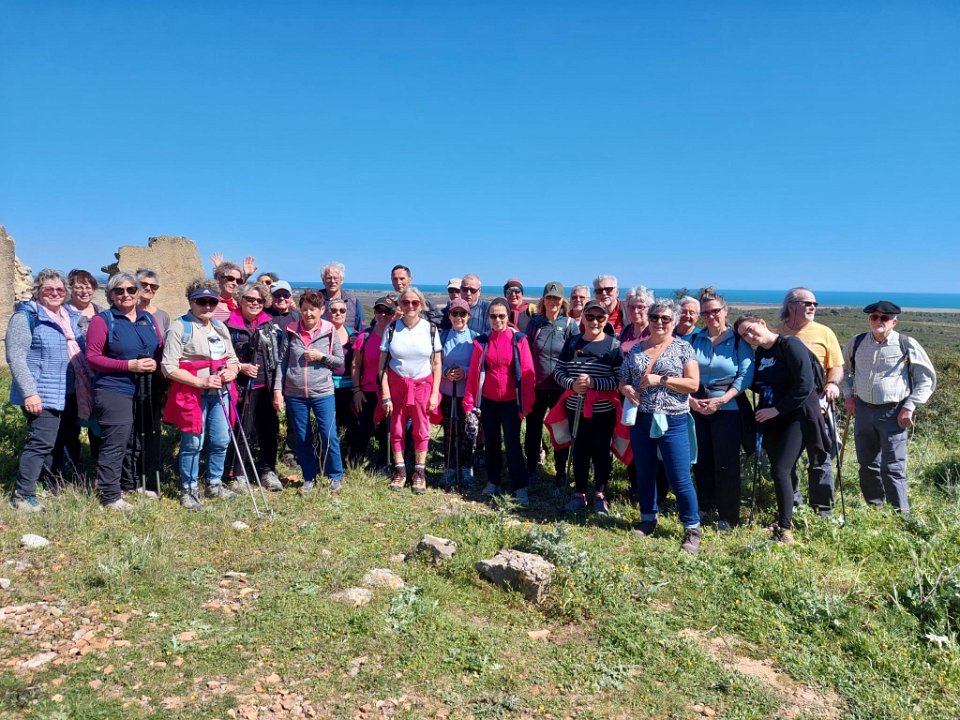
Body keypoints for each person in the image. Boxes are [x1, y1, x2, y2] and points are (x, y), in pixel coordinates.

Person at [735, 314, 829, 543]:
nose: (750, 335)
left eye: (751, 329)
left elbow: (805, 384)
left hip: (797, 415)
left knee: (781, 470)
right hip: (773, 417)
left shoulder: (789, 344)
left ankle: (785, 528)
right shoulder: (761, 353)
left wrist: (776, 409)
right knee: (780, 471)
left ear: (762, 322)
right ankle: (784, 518)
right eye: (745, 335)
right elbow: (760, 383)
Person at [619, 298, 702, 554]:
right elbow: (623, 379)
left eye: (665, 318)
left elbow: (693, 384)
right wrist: (626, 388)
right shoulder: (636, 350)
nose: (659, 322)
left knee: (679, 477)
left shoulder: (683, 348)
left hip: (673, 420)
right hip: (642, 419)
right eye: (655, 317)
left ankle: (692, 528)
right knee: (645, 472)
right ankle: (648, 518)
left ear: (674, 321)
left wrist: (661, 379)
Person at [842, 301, 937, 513]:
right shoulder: (857, 342)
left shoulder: (906, 344)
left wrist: (910, 406)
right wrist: (848, 396)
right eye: (874, 317)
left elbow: (925, 379)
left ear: (894, 322)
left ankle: (900, 514)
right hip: (863, 410)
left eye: (884, 318)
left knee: (893, 466)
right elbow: (842, 370)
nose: (878, 321)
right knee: (867, 463)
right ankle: (875, 507)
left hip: (894, 412)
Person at [6, 269, 84, 511]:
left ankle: (53, 484)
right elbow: (16, 357)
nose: (55, 293)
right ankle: (23, 495)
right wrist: (30, 392)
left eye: (60, 289)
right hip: (41, 392)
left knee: (60, 441)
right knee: (41, 443)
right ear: (38, 291)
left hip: (68, 390)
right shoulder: (26, 317)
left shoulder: (69, 316)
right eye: (48, 289)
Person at [161, 279, 242, 510]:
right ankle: (189, 488)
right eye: (201, 301)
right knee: (193, 442)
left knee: (221, 440)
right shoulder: (179, 327)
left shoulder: (220, 327)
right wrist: (200, 381)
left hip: (220, 393)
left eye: (212, 302)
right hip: (192, 394)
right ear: (191, 301)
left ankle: (214, 483)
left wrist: (232, 371)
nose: (207, 306)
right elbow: (168, 367)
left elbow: (232, 359)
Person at [85, 272, 163, 511]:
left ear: (138, 293)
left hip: (144, 389)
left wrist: (156, 363)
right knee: (115, 442)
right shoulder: (103, 320)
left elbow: (159, 349)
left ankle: (129, 484)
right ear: (110, 295)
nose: (125, 294)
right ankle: (110, 495)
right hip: (114, 388)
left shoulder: (147, 319)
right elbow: (93, 357)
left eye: (131, 289)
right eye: (119, 290)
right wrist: (129, 365)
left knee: (136, 439)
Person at [689, 292, 754, 529]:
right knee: (701, 460)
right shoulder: (694, 340)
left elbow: (746, 374)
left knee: (726, 463)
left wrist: (722, 400)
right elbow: (682, 371)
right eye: (705, 312)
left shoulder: (738, 341)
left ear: (725, 311)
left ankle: (728, 516)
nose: (711, 316)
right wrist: (690, 401)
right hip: (696, 407)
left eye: (715, 311)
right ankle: (706, 505)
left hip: (728, 409)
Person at [777, 287, 843, 516]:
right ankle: (793, 504)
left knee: (820, 455)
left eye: (815, 304)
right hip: (785, 405)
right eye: (807, 303)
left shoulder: (825, 332)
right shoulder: (777, 332)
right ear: (791, 305)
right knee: (787, 458)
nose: (813, 307)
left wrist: (832, 383)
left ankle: (823, 510)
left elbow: (836, 366)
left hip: (816, 404)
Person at [463, 298, 535, 506]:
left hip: (512, 402)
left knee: (512, 444)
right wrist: (469, 403)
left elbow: (528, 373)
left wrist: (526, 405)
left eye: (501, 316)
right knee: (491, 442)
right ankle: (493, 481)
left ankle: (520, 485)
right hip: (489, 401)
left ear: (508, 316)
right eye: (493, 316)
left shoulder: (518, 340)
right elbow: (474, 374)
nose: (497, 320)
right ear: (489, 318)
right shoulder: (482, 342)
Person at [555, 300, 623, 515]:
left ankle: (600, 494)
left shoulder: (613, 346)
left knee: (601, 452)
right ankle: (580, 494)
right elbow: (559, 371)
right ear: (583, 318)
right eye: (590, 317)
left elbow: (618, 380)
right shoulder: (573, 342)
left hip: (603, 411)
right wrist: (572, 385)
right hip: (575, 408)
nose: (595, 321)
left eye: (600, 317)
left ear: (606, 319)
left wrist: (594, 383)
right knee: (579, 451)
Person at [274, 291, 345, 492]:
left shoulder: (329, 330)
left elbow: (339, 361)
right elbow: (282, 361)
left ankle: (335, 476)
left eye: (313, 309)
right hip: (294, 393)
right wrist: (278, 389)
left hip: (323, 392)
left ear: (321, 310)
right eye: (304, 309)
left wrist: (321, 357)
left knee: (329, 435)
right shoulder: (291, 329)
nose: (308, 313)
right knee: (302, 437)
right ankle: (309, 477)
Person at [379, 287, 442, 494]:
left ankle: (419, 473)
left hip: (423, 385)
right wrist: (386, 394)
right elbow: (382, 365)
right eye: (406, 302)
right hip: (396, 385)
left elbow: (437, 364)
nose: (410, 306)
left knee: (422, 430)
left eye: (415, 302)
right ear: (400, 304)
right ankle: (400, 471)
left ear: (421, 305)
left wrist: (435, 393)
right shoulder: (391, 329)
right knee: (396, 428)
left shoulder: (430, 329)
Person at [226, 282, 284, 492]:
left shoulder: (269, 325)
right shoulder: (228, 326)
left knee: (269, 429)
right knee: (242, 430)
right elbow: (222, 356)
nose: (255, 303)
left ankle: (268, 469)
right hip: (241, 387)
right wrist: (240, 367)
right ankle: (238, 472)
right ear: (240, 300)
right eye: (250, 299)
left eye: (260, 300)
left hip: (266, 387)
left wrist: (277, 389)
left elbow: (278, 358)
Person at [523, 281, 577, 485]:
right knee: (533, 428)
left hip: (560, 388)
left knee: (561, 428)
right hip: (537, 386)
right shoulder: (535, 324)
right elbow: (526, 352)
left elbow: (575, 354)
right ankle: (530, 467)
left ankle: (560, 471)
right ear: (543, 300)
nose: (553, 301)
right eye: (549, 297)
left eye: (556, 298)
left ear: (562, 301)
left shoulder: (569, 324)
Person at [52, 268, 103, 479]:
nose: (84, 291)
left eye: (88, 286)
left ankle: (99, 466)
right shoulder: (61, 313)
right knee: (69, 426)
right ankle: (70, 468)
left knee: (98, 425)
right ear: (70, 289)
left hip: (97, 377)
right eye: (79, 287)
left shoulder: (101, 312)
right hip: (70, 379)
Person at [351, 296, 395, 469]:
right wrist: (356, 390)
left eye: (388, 311)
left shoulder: (398, 336)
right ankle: (355, 465)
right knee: (363, 429)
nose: (383, 315)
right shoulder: (365, 336)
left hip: (392, 392)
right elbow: (355, 365)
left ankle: (385, 466)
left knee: (388, 431)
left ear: (394, 314)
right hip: (368, 390)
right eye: (379, 310)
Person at [439, 298, 478, 488]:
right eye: (455, 313)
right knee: (449, 431)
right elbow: (434, 362)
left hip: (467, 395)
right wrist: (446, 372)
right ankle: (449, 468)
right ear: (449, 315)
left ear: (468, 316)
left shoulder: (476, 338)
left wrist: (465, 371)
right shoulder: (442, 337)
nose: (458, 317)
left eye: (462, 313)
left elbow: (479, 365)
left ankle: (466, 468)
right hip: (447, 392)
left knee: (468, 432)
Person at [328, 297, 359, 460]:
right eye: (334, 310)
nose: (338, 313)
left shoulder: (354, 335)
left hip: (349, 387)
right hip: (327, 387)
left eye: (342, 310)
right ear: (327, 313)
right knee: (329, 425)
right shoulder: (322, 333)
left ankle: (349, 459)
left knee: (351, 424)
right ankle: (328, 458)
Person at [320, 262, 365, 332]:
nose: (332, 281)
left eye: (335, 278)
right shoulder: (315, 301)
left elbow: (361, 330)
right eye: (329, 278)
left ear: (342, 280)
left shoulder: (353, 302)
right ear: (323, 280)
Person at [619, 286, 654, 353]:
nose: (635, 311)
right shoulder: (625, 330)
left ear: (650, 309)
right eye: (632, 307)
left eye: (640, 307)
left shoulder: (654, 332)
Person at [136, 268, 171, 336]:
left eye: (153, 286)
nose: (148, 288)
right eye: (143, 284)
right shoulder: (129, 313)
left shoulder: (163, 316)